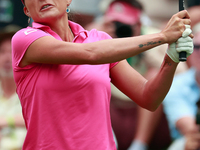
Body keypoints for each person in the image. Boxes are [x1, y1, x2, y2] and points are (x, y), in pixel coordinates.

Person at [12, 0, 193, 149]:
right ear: (27, 10)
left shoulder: (100, 40)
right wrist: (162, 36)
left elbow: (149, 98)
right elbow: (90, 54)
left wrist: (171, 58)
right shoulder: (25, 39)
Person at [163, 30, 200, 150]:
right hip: (190, 141)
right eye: (197, 46)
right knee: (184, 145)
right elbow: (190, 129)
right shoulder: (176, 84)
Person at [0, 25, 26, 150]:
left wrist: (5, 121)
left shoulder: (35, 89)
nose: (7, 58)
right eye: (2, 51)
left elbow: (43, 121)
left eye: (13, 51)